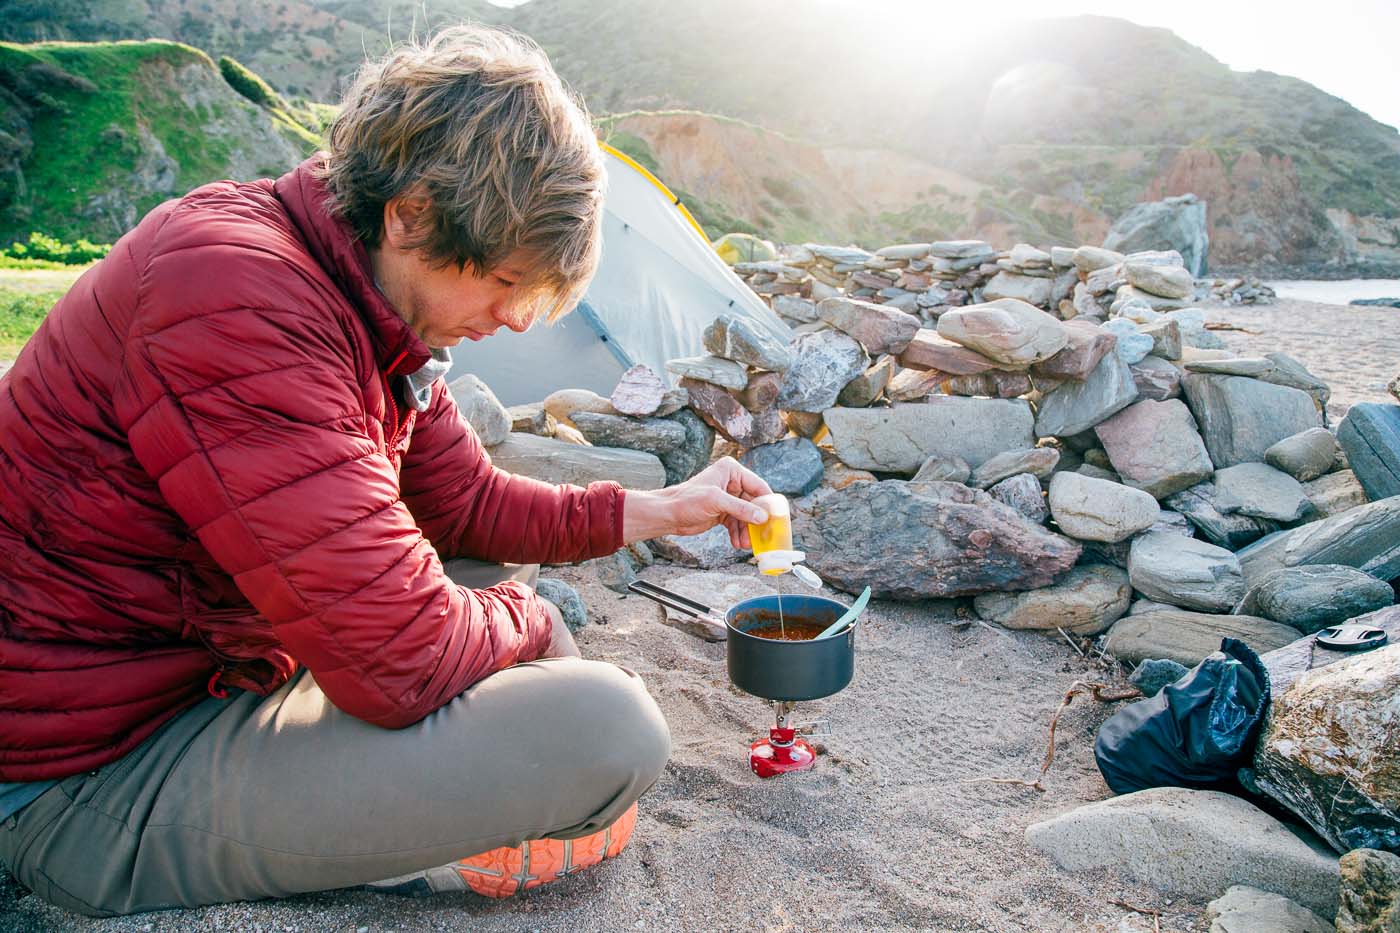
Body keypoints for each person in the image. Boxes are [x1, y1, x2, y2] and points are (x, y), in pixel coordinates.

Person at [0, 25, 772, 917]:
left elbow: (470, 506)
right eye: (508, 280)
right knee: (609, 729)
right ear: (410, 214)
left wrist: (661, 505)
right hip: (82, 769)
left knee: (482, 570)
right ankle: (423, 849)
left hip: (209, 663)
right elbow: (400, 659)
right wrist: (527, 624)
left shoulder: (356, 293)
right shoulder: (232, 294)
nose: (519, 319)